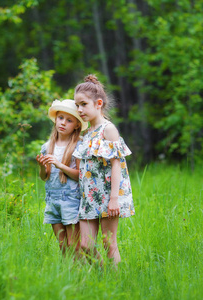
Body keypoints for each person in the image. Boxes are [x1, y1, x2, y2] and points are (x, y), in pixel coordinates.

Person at [73, 74, 135, 266]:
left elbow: (117, 165)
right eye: (77, 105)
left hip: (109, 196)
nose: (79, 110)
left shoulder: (108, 130)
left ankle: (115, 283)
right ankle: (103, 273)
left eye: (83, 104)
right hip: (89, 196)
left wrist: (114, 199)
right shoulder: (86, 133)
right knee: (85, 245)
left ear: (98, 103)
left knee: (109, 242)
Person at [36, 99, 88, 256]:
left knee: (74, 245)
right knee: (63, 246)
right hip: (52, 200)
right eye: (60, 118)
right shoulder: (47, 147)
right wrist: (41, 167)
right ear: (55, 119)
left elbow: (80, 176)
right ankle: (69, 276)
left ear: (77, 125)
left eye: (69, 120)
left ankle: (81, 276)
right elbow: (44, 177)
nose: (63, 123)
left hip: (71, 200)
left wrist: (60, 165)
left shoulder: (79, 145)